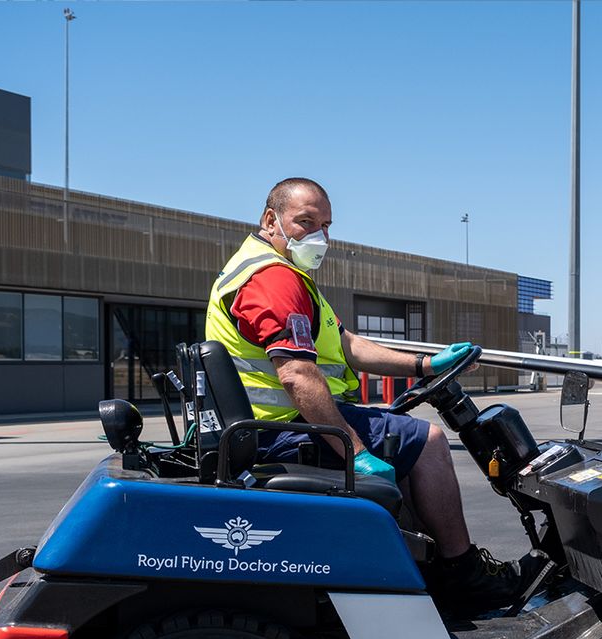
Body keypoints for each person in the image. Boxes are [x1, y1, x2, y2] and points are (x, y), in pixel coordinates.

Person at [205, 177, 548, 612]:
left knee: (399, 434)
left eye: (326, 225)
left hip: (279, 425)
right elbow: (295, 375)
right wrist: (353, 448)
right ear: (271, 219)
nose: (319, 237)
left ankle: (428, 570)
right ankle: (464, 574)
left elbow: (347, 344)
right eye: (305, 222)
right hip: (281, 429)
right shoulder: (274, 279)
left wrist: (425, 365)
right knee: (429, 441)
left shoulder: (275, 271)